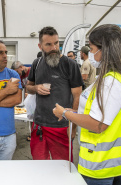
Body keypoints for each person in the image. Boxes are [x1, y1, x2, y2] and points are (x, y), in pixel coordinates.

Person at [53, 24, 121, 185]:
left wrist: (66, 114)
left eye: (93, 49)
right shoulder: (108, 78)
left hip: (99, 163)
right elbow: (98, 111)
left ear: (105, 50)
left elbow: (98, 124)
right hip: (107, 161)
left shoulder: (112, 82)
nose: (90, 53)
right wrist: (73, 111)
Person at [26, 26, 83, 160]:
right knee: (40, 167)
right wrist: (35, 88)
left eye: (56, 43)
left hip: (61, 127)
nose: (54, 48)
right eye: (49, 44)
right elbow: (28, 87)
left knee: (62, 168)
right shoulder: (37, 63)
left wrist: (73, 127)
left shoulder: (70, 64)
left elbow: (77, 97)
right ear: (40, 46)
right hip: (39, 125)